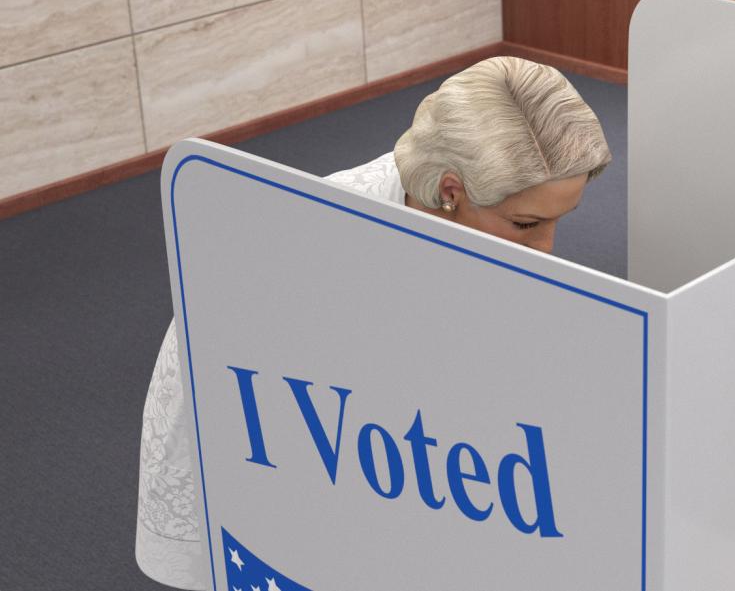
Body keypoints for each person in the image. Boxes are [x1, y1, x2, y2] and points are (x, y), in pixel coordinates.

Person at [135, 56, 612, 588]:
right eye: (527, 224)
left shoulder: (467, 215)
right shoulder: (308, 257)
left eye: (558, 221)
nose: (548, 249)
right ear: (451, 191)